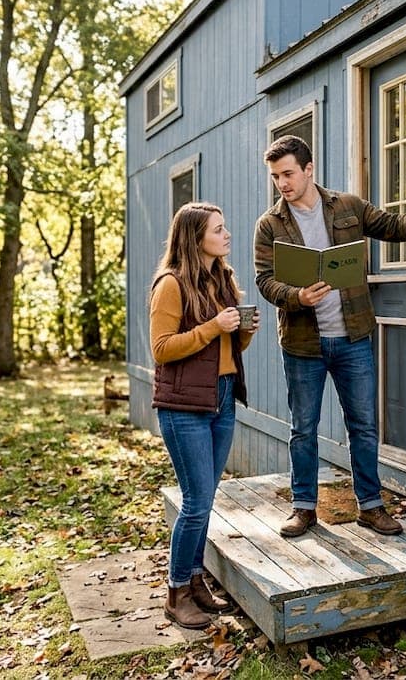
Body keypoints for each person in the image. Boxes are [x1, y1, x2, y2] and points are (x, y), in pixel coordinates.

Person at [254, 135, 406, 538]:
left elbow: (392, 226)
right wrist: (297, 296)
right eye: (276, 176)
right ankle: (304, 509)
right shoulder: (270, 225)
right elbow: (265, 281)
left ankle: (370, 506)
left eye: (289, 174)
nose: (282, 183)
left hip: (352, 338)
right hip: (303, 344)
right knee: (304, 428)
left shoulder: (347, 206)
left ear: (309, 169)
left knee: (364, 426)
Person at [150, 201, 259, 629]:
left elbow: (227, 352)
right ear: (197, 238)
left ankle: (196, 581)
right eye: (219, 229)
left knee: (206, 499)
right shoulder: (171, 285)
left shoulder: (223, 279)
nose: (227, 234)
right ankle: (176, 592)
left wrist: (243, 333)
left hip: (223, 397)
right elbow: (161, 349)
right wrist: (214, 326)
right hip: (184, 407)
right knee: (195, 501)